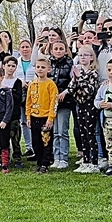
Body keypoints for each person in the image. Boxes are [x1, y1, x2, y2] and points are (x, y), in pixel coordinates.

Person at [66, 45, 100, 173]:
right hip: (79, 105)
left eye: (85, 55)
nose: (83, 58)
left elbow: (89, 91)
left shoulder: (93, 73)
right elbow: (71, 89)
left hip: (89, 105)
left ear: (91, 57)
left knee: (91, 133)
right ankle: (85, 161)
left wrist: (79, 79)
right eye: (80, 55)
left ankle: (94, 163)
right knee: (82, 133)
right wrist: (77, 79)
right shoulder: (77, 71)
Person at [26, 57, 58, 174]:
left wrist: (50, 118)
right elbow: (28, 102)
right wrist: (28, 116)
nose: (40, 69)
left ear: (48, 69)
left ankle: (45, 163)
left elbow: (53, 102)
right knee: (36, 142)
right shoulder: (32, 84)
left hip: (45, 118)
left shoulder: (51, 84)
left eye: (43, 67)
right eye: (38, 67)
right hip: (34, 117)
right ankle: (39, 163)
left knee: (46, 141)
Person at [49, 40, 74, 170]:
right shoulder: (49, 63)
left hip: (65, 101)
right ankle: (56, 157)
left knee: (62, 131)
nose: (58, 51)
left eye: (61, 49)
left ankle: (63, 158)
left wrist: (65, 92)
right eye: (56, 49)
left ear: (65, 50)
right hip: (51, 102)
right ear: (51, 50)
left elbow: (73, 80)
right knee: (54, 131)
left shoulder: (70, 63)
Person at [1, 56, 24, 169]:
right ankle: (3, 157)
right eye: (8, 65)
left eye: (13, 66)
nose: (10, 68)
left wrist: (8, 92)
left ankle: (17, 158)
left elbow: (19, 98)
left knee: (15, 138)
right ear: (3, 66)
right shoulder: (0, 80)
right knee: (2, 138)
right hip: (1, 115)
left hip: (14, 115)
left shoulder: (18, 82)